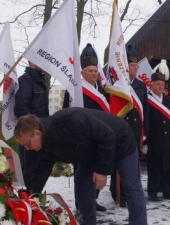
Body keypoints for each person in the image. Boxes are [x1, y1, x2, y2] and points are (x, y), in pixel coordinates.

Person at [14, 108, 147, 225]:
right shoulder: (44, 145)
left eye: (26, 144)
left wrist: (101, 170)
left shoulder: (69, 121)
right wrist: (29, 195)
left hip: (120, 139)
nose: (26, 149)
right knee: (82, 185)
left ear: (37, 133)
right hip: (90, 152)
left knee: (131, 187)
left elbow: (107, 136)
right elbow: (41, 171)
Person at [63, 43, 109, 212]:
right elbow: (66, 113)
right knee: (82, 174)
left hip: (99, 139)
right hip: (81, 139)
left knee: (97, 170)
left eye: (95, 71)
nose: (93, 73)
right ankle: (81, 203)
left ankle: (93, 200)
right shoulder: (74, 89)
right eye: (90, 71)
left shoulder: (103, 92)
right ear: (82, 72)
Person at [110, 44, 149, 207]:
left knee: (131, 165)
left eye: (135, 65)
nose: (134, 68)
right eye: (131, 65)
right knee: (117, 164)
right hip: (120, 130)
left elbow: (144, 110)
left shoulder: (141, 86)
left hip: (134, 131)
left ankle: (129, 192)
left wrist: (144, 133)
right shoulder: (118, 84)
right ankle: (117, 192)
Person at [14, 61, 49, 188]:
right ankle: (26, 203)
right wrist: (35, 130)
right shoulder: (25, 80)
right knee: (28, 174)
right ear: (32, 61)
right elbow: (20, 110)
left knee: (38, 172)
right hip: (30, 137)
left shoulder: (40, 80)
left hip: (40, 135)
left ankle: (34, 201)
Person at [146, 72, 170, 201]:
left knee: (168, 166)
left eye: (162, 84)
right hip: (155, 139)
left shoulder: (168, 100)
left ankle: (168, 191)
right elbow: (146, 121)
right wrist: (145, 140)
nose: (161, 87)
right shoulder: (147, 100)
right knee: (155, 167)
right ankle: (153, 191)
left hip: (169, 139)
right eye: (158, 84)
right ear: (152, 85)